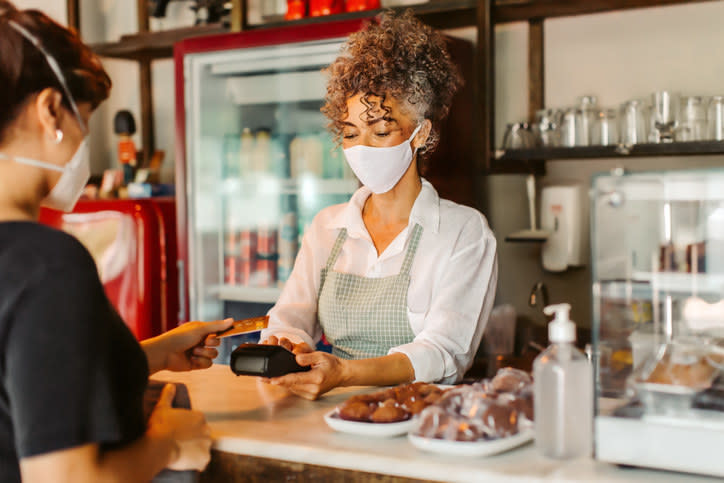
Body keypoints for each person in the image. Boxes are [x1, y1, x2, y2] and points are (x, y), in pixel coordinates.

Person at [0, 3, 233, 481]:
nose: (87, 140)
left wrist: (147, 355)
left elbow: (24, 387)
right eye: (86, 119)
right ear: (50, 110)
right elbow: (64, 477)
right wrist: (169, 444)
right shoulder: (47, 264)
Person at [260, 10, 498, 400]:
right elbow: (289, 317)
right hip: (332, 415)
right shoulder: (327, 227)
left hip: (419, 417)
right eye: (351, 134)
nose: (362, 149)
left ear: (420, 133)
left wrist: (345, 373)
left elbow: (445, 352)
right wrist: (287, 346)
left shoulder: (463, 232)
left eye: (382, 131)